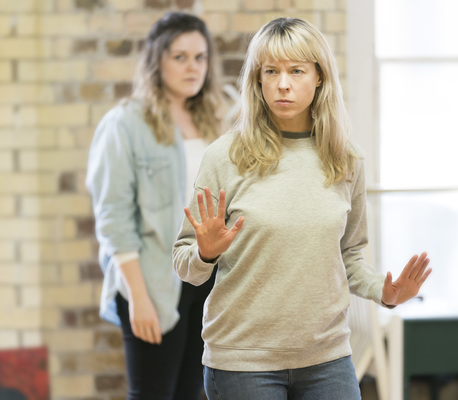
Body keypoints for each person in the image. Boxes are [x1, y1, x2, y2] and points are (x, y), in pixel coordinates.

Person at [172, 17, 432, 399]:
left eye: (296, 71)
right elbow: (184, 264)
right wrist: (205, 254)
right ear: (257, 81)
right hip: (243, 363)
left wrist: (385, 293)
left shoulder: (346, 160)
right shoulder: (225, 157)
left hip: (327, 358)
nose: (283, 83)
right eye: (271, 71)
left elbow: (350, 256)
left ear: (319, 77)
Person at [86, 12, 226, 400]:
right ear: (156, 60)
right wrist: (139, 298)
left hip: (204, 279)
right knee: (151, 395)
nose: (192, 67)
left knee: (190, 394)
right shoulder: (124, 124)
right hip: (150, 282)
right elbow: (114, 219)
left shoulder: (212, 122)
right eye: (179, 57)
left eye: (200, 57)